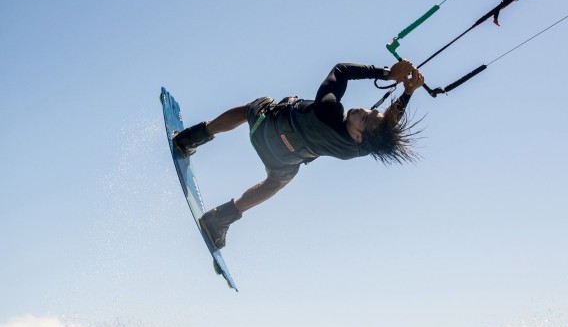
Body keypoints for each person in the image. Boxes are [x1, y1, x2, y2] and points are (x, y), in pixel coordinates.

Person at [173, 59, 425, 249]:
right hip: (283, 158)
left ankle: (191, 138)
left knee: (252, 108)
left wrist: (387, 74)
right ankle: (219, 219)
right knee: (275, 184)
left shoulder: (329, 110)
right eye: (370, 111)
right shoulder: (359, 149)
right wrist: (408, 92)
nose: (362, 110)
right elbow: (386, 128)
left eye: (364, 118)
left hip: (265, 126)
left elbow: (341, 70)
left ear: (360, 135)